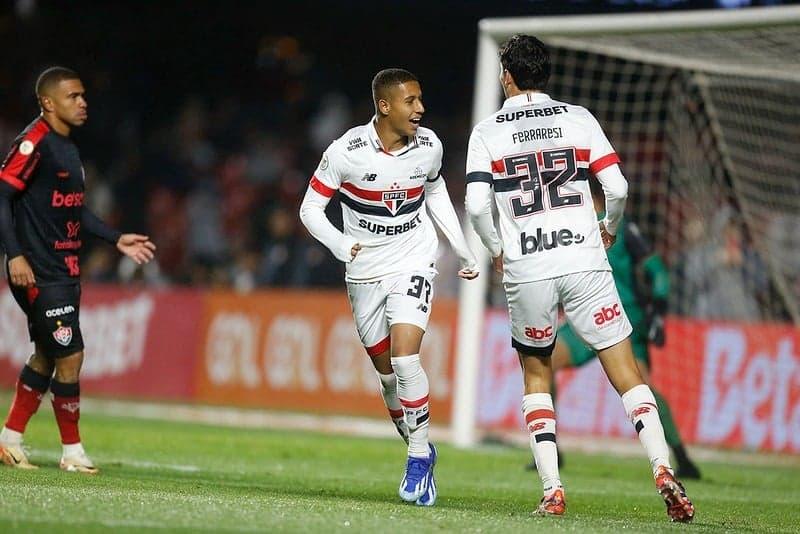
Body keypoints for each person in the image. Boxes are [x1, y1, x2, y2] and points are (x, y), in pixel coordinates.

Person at [464, 35, 694, 521]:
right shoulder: (578, 118)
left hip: (528, 264)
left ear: (506, 75)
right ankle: (662, 468)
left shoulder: (487, 131)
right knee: (627, 371)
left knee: (537, 372)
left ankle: (552, 490)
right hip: (585, 259)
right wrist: (608, 226)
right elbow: (617, 185)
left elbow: (475, 204)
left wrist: (496, 248)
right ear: (545, 74)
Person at [299, 68, 478, 507]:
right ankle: (419, 445)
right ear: (385, 106)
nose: (421, 108)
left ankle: (418, 456)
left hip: (414, 257)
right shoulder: (347, 152)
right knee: (387, 377)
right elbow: (309, 209)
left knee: (405, 355)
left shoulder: (430, 145)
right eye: (411, 101)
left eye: (420, 99)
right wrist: (341, 243)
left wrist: (463, 246)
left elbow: (434, 192)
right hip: (364, 270)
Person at [0, 67, 156, 474]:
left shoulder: (66, 147)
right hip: (37, 269)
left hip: (64, 268)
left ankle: (9, 439)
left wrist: (115, 237)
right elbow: (2, 197)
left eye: (83, 95)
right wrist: (13, 254)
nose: (82, 102)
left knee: (47, 356)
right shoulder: (34, 143)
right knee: (71, 354)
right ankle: (73, 452)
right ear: (48, 103)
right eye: (72, 96)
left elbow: (73, 208)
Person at [524, 177, 701, 479]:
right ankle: (551, 449)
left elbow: (656, 270)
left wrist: (657, 312)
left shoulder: (620, 226)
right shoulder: (566, 229)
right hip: (584, 315)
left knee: (640, 386)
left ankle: (681, 457)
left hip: (625, 316)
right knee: (544, 365)